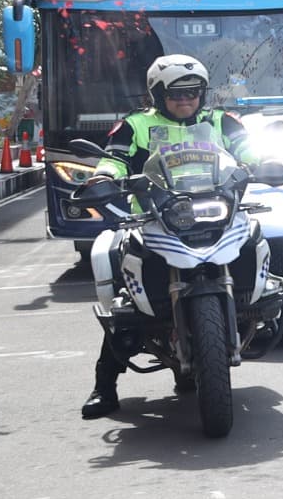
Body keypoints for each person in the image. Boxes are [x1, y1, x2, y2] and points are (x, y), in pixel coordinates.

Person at [86, 54, 265, 418]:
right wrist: (104, 176)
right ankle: (104, 385)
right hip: (156, 219)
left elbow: (246, 148)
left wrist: (263, 163)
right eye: (176, 93)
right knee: (125, 303)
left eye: (193, 92)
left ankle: (259, 306)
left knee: (255, 238)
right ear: (157, 94)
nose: (186, 100)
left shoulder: (221, 120)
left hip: (216, 210)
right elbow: (114, 158)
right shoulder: (136, 125)